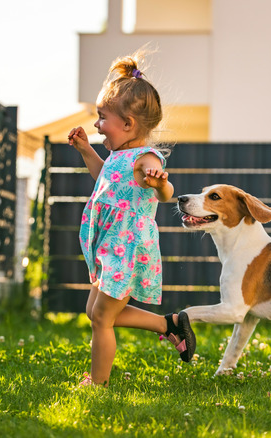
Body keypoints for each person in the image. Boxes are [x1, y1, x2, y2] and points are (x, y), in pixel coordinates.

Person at [68, 52, 195, 387]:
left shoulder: (145, 158)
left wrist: (159, 181)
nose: (97, 124)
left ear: (128, 125)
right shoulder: (116, 156)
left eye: (101, 117)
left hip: (127, 247)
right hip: (110, 245)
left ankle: (98, 383)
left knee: (101, 318)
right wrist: (86, 151)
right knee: (95, 312)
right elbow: (105, 180)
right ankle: (169, 325)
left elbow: (166, 192)